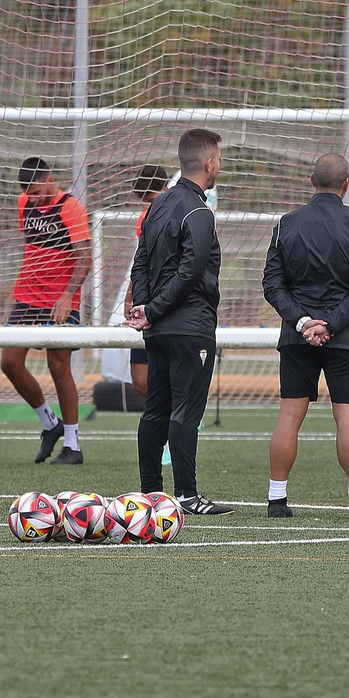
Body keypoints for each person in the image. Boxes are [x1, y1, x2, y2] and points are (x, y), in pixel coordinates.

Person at [261, 153, 349, 519]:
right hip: (345, 337)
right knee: (347, 417)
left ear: (311, 180)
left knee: (289, 414)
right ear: (347, 183)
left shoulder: (286, 224)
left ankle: (277, 499)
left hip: (297, 338)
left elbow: (271, 284)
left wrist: (302, 322)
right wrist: (330, 324)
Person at [126, 128, 233, 516]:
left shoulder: (157, 206)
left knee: (155, 408)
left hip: (158, 329)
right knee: (185, 411)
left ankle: (150, 493)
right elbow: (191, 271)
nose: (219, 165)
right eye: (218, 159)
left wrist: (143, 305)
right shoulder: (199, 211)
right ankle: (187, 495)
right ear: (208, 164)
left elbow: (140, 260)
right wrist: (151, 309)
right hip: (189, 327)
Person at [2, 156, 92, 465]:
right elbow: (32, 247)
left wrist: (67, 296)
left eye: (38, 192)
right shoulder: (23, 203)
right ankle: (49, 424)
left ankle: (73, 444)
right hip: (26, 297)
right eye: (29, 193)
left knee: (58, 366)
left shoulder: (72, 208)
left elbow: (85, 258)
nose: (34, 199)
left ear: (49, 178)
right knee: (9, 362)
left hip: (59, 300)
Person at [127, 164, 170, 399]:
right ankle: (167, 419)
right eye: (145, 202)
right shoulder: (144, 219)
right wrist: (130, 295)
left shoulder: (184, 214)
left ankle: (181, 418)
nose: (149, 207)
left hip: (172, 304)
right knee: (140, 380)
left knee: (171, 372)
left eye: (152, 200)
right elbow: (141, 261)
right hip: (146, 302)